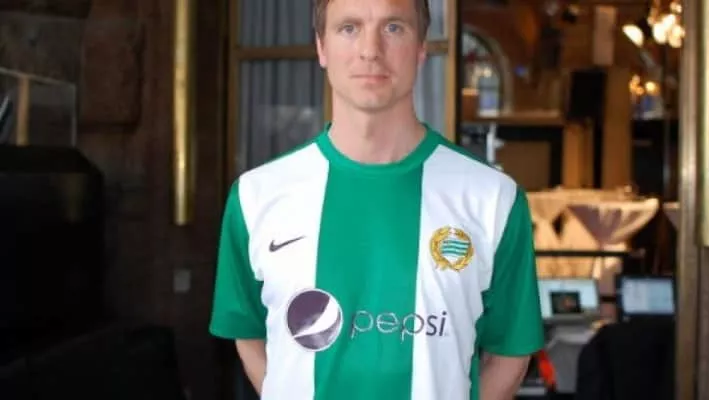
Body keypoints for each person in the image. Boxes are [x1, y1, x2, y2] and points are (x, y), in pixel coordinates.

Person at [208, 0, 544, 399]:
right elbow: (249, 335)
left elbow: (509, 354)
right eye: (349, 28)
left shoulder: (493, 199)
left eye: (393, 28)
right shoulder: (256, 196)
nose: (370, 50)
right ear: (321, 47)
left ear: (421, 47)